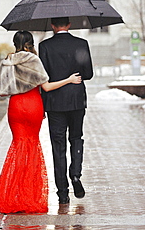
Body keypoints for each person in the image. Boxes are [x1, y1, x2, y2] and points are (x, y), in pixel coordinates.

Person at [0, 30, 82, 214]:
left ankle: (11, 197)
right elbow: (47, 87)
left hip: (16, 107)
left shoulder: (7, 61)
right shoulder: (34, 60)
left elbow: (2, 91)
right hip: (34, 105)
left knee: (17, 147)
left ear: (15, 42)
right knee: (32, 148)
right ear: (31, 43)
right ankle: (30, 197)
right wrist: (69, 80)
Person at [39, 17, 93, 205]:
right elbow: (88, 74)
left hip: (55, 102)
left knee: (58, 146)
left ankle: (62, 192)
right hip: (77, 100)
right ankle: (76, 175)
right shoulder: (81, 43)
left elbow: (43, 77)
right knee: (76, 138)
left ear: (53, 26)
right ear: (69, 25)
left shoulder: (45, 46)